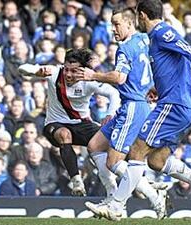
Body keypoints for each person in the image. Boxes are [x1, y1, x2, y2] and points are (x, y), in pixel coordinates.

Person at [85, 0, 191, 220]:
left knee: (137, 150)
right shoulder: (150, 39)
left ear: (142, 16)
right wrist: (158, 88)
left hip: (173, 105)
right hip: (175, 104)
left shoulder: (161, 32)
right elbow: (174, 64)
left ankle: (117, 206)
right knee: (155, 161)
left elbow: (189, 51)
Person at [72, 7, 167, 217]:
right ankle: (113, 194)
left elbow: (119, 78)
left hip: (134, 106)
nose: (113, 29)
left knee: (113, 162)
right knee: (95, 146)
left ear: (129, 23)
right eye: (111, 24)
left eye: (117, 24)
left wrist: (92, 75)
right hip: (135, 103)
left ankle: (144, 197)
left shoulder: (124, 48)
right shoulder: (145, 38)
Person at [18, 48, 120, 196]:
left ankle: (133, 181)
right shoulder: (54, 73)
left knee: (108, 142)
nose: (68, 74)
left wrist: (110, 114)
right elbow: (22, 69)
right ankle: (77, 181)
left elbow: (114, 93)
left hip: (82, 124)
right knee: (65, 134)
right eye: (66, 69)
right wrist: (36, 72)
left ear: (82, 70)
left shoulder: (89, 81)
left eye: (74, 71)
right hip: (55, 124)